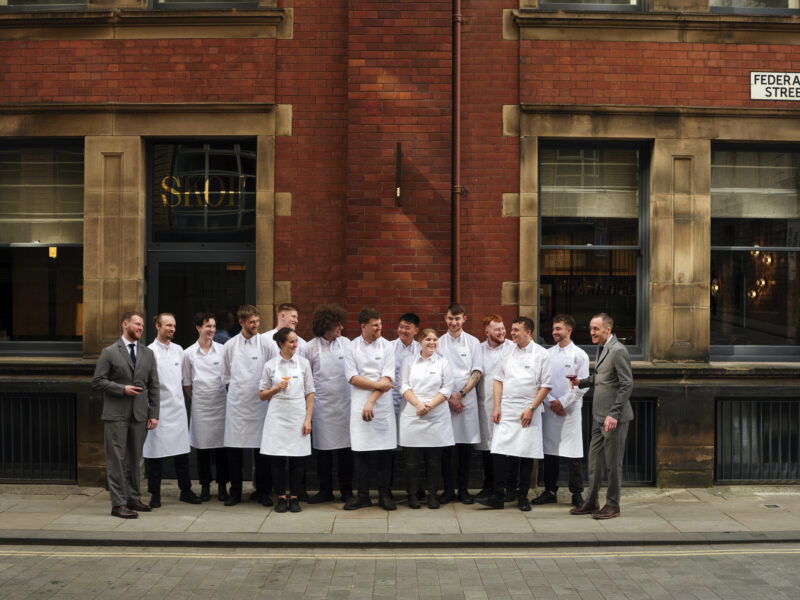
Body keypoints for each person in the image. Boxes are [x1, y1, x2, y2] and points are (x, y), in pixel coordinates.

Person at [477, 316, 552, 511]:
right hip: (507, 409)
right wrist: (496, 406)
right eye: (512, 329)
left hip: (528, 410)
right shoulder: (507, 352)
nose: (512, 333)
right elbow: (498, 380)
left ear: (528, 332)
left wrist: (532, 409)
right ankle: (498, 495)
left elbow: (545, 386)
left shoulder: (541, 354)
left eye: (516, 330)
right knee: (499, 451)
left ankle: (522, 496)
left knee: (526, 454)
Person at [92, 311, 160, 519]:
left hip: (140, 415)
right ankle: (118, 504)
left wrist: (154, 413)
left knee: (134, 460)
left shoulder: (147, 353)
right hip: (116, 415)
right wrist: (122, 389)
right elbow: (98, 381)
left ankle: (133, 498)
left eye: (141, 325)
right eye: (137, 324)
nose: (140, 328)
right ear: (125, 325)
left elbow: (154, 385)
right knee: (116, 460)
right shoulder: (109, 352)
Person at [569, 313, 633, 520]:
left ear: (607, 329)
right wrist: (582, 382)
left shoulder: (618, 351)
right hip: (599, 415)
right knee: (595, 461)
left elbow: (626, 384)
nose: (592, 333)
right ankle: (591, 501)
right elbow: (602, 377)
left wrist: (614, 413)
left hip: (613, 418)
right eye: (590, 329)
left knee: (613, 464)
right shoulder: (603, 348)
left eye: (595, 329)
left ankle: (613, 505)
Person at [143, 314, 201, 508]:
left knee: (182, 454)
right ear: (157, 326)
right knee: (155, 455)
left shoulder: (179, 351)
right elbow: (145, 384)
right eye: (168, 325)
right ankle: (155, 494)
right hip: (158, 410)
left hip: (177, 409)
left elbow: (186, 380)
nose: (172, 329)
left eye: (174, 326)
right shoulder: (148, 352)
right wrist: (150, 412)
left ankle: (185, 490)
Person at [343, 307, 396, 511]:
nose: (379, 328)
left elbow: (387, 378)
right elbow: (352, 377)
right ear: (363, 326)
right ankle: (362, 495)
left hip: (381, 405)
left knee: (384, 453)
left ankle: (385, 495)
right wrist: (378, 386)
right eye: (375, 325)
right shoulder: (351, 347)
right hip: (358, 404)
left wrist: (371, 400)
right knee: (361, 452)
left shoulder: (387, 346)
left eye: (380, 324)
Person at [534, 314, 589, 508]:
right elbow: (542, 382)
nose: (555, 332)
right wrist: (551, 402)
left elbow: (583, 386)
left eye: (559, 328)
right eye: (554, 328)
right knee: (550, 453)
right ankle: (550, 491)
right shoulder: (547, 354)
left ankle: (576, 494)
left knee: (573, 454)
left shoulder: (580, 355)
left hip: (571, 412)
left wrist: (563, 403)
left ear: (569, 330)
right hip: (551, 410)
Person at [222, 305, 274, 507]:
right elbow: (226, 377)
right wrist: (238, 395)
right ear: (241, 322)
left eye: (257, 321)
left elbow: (271, 372)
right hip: (237, 406)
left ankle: (263, 491)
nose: (256, 325)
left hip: (260, 406)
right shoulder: (230, 345)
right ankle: (235, 492)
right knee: (235, 452)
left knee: (262, 453)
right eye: (252, 322)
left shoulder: (267, 344)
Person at [259, 328, 315, 513]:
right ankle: (281, 497)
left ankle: (296, 497)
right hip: (277, 415)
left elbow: (310, 392)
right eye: (291, 342)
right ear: (281, 344)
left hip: (297, 413)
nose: (294, 345)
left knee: (298, 460)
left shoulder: (304, 364)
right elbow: (262, 395)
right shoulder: (270, 365)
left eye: (296, 341)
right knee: (277, 459)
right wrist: (275, 388)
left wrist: (308, 419)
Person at [303, 303, 354, 504]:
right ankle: (325, 490)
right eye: (337, 325)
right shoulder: (309, 348)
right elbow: (305, 379)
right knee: (323, 453)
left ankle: (347, 490)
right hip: (322, 408)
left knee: (345, 453)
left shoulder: (346, 344)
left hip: (345, 406)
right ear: (326, 326)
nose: (341, 328)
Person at [399, 328, 454, 509]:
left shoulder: (443, 362)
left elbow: (447, 389)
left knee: (434, 460)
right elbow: (404, 385)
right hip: (413, 414)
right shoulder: (409, 361)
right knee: (412, 461)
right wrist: (418, 405)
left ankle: (432, 496)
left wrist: (429, 405)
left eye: (435, 339)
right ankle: (413, 495)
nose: (432, 343)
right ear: (420, 342)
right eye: (428, 339)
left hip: (436, 416)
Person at [436, 302, 482, 504]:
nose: (453, 322)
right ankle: (447, 490)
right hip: (444, 402)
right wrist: (449, 397)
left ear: (465, 319)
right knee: (446, 449)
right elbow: (435, 372)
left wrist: (460, 394)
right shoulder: (438, 343)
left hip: (466, 402)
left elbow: (477, 372)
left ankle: (463, 490)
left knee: (464, 450)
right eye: (450, 318)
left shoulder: (473, 343)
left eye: (457, 318)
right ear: (445, 319)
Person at [182, 312, 229, 502]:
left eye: (213, 326)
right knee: (202, 450)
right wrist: (200, 398)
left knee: (222, 450)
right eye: (207, 326)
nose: (211, 330)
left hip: (221, 405)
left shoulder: (223, 350)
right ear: (198, 328)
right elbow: (186, 383)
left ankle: (223, 486)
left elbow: (228, 377)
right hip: (201, 408)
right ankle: (204, 486)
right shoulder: (188, 353)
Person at [474, 314, 514, 503]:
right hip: (485, 404)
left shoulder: (513, 349)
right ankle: (488, 486)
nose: (502, 332)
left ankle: (508, 488)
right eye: (497, 329)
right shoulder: (478, 350)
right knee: (487, 448)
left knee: (506, 448)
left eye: (503, 328)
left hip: (507, 405)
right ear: (486, 332)